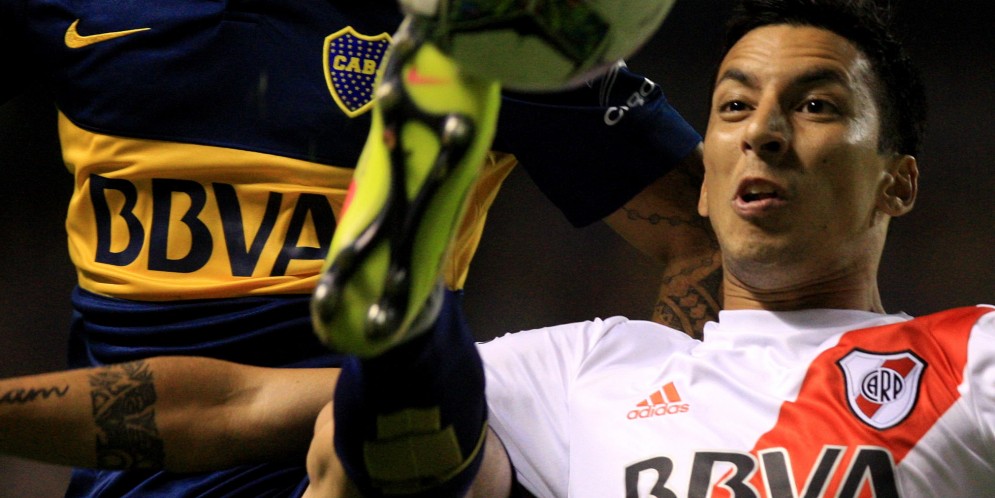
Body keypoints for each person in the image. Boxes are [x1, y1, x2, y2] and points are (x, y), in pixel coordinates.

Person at [0, 0, 713, 495]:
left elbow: (703, 235)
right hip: (146, 445)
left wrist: (652, 443)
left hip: (386, 449)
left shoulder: (493, 23)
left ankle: (399, 347)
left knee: (387, 431)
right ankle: (402, 327)